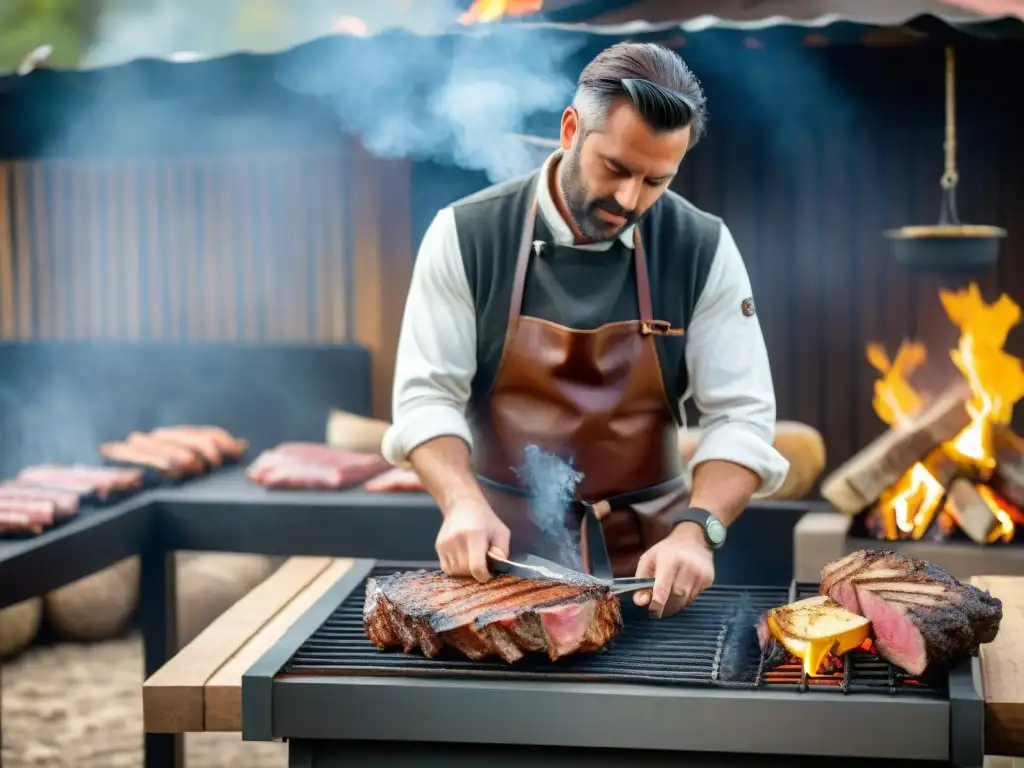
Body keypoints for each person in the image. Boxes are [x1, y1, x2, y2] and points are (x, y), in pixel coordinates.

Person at [382, 41, 789, 618]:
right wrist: (460, 502)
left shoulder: (702, 246)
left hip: (653, 573)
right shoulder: (466, 235)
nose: (629, 199)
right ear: (571, 128)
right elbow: (427, 397)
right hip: (504, 570)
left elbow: (742, 416)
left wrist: (698, 531)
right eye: (617, 168)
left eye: (656, 181)